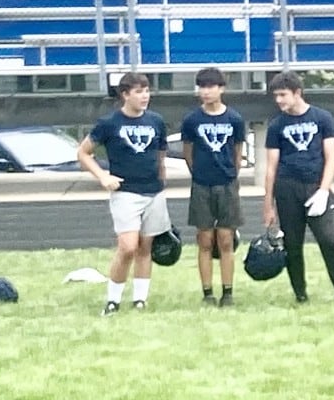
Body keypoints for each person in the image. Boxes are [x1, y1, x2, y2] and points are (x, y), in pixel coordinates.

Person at [77, 72, 169, 315]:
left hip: (153, 191)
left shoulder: (156, 121)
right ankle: (113, 300)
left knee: (145, 247)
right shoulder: (109, 123)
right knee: (127, 246)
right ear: (125, 95)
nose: (144, 96)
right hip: (125, 192)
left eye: (147, 91)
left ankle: (140, 299)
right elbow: (83, 153)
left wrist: (162, 180)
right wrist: (103, 176)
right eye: (138, 92)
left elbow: (160, 154)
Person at [262, 74, 334, 303]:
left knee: (328, 240)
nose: (279, 100)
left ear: (297, 92)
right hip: (287, 187)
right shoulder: (276, 125)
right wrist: (268, 205)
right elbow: (271, 168)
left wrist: (323, 190)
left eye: (283, 95)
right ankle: (300, 293)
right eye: (276, 96)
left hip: (315, 185)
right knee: (292, 243)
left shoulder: (322, 118)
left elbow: (331, 158)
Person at [179, 66, 248, 307]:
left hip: (227, 184)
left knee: (226, 239)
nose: (206, 92)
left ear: (221, 89)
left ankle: (227, 291)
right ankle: (207, 292)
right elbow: (188, 152)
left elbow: (238, 152)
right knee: (205, 239)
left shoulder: (235, 119)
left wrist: (231, 174)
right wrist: (198, 173)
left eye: (211, 87)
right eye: (202, 87)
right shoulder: (192, 120)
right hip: (202, 185)